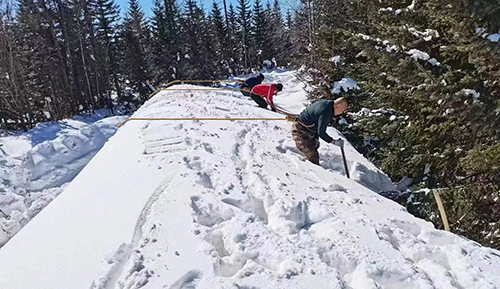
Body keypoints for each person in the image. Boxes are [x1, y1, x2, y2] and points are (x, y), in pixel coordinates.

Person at [291, 97, 348, 165]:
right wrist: (334, 141)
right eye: (343, 110)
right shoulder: (326, 111)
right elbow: (321, 132)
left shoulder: (328, 104)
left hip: (307, 130)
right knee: (313, 159)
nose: (342, 112)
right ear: (338, 105)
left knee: (315, 144)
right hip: (299, 131)